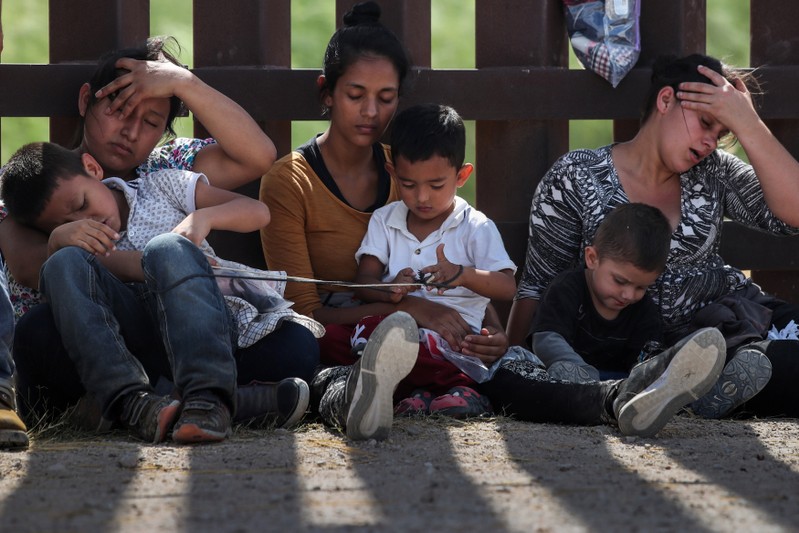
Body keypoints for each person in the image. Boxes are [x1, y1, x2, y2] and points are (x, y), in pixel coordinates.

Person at [1, 38, 318, 426]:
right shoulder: (35, 181)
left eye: (150, 123)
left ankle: (171, 401)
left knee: (295, 348)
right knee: (38, 332)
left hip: (185, 332)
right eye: (119, 111)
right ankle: (218, 400)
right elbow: (30, 267)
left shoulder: (165, 170)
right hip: (97, 339)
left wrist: (183, 83)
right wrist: (68, 242)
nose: (130, 132)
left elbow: (258, 156)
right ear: (86, 101)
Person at [506, 53, 799, 419]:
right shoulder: (576, 178)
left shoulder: (715, 172)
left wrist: (749, 123)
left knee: (776, 360)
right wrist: (513, 361)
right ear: (665, 100)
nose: (710, 142)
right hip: (656, 353)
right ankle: (689, 390)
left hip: (737, 322)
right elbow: (537, 286)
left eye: (722, 133)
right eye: (706, 122)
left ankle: (715, 386)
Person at [0, 141, 323, 443]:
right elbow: (61, 292)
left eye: (83, 203)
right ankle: (135, 404)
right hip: (131, 340)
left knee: (168, 248)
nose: (88, 221)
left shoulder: (160, 187)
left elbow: (258, 212)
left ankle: (205, 398)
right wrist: (60, 242)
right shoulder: (68, 246)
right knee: (62, 267)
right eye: (68, 222)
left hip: (198, 323)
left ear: (93, 169)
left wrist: (203, 219)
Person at [349, 103, 517, 418]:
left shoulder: (475, 227)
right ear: (392, 173)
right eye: (409, 184)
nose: (422, 197)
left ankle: (459, 388)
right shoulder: (385, 220)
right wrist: (390, 290)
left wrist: (463, 275)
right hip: (400, 328)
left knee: (424, 346)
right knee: (356, 334)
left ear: (462, 175)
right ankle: (425, 392)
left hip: (455, 339)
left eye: (436, 185)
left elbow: (507, 286)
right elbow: (362, 284)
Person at [532, 203, 671, 384]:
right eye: (620, 281)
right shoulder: (567, 289)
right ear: (592, 258)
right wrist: (582, 375)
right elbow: (545, 340)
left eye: (641, 288)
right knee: (516, 373)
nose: (629, 295)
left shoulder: (644, 310)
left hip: (618, 387)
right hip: (565, 382)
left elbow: (647, 360)